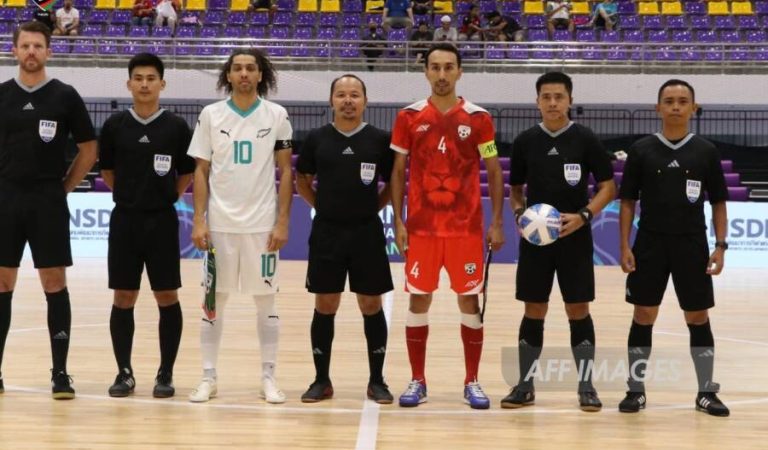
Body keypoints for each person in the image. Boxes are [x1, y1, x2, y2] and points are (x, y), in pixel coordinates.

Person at [390, 43, 505, 410]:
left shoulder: (479, 118)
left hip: (466, 230)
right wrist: (398, 219)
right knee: (418, 299)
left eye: (448, 67)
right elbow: (397, 172)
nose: (441, 74)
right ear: (425, 71)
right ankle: (417, 380)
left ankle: (472, 381)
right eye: (435, 67)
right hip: (422, 229)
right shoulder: (408, 116)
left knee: (469, 302)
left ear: (459, 72)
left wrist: (497, 220)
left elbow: (492, 169)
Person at [617, 79, 730, 417]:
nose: (676, 107)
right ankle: (635, 390)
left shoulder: (706, 151)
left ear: (694, 108)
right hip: (650, 243)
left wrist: (720, 245)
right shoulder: (642, 149)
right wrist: (624, 244)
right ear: (658, 108)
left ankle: (706, 392)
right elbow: (627, 202)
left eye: (683, 101)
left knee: (697, 315)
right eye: (669, 101)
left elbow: (719, 203)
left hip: (692, 245)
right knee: (643, 314)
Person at [504, 71, 615, 412]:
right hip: (537, 242)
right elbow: (516, 190)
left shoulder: (585, 138)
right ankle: (525, 385)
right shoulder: (525, 141)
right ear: (537, 101)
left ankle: (586, 385)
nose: (553, 103)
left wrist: (583, 215)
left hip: (575, 239)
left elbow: (608, 187)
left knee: (577, 309)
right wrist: (522, 214)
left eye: (559, 97)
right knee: (533, 309)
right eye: (546, 97)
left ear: (569, 100)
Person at [187, 48, 293, 404]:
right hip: (220, 226)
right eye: (238, 68)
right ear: (228, 75)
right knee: (213, 302)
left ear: (261, 74)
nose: (244, 74)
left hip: (262, 227)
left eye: (251, 68)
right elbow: (200, 170)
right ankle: (208, 376)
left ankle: (268, 376)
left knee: (266, 301)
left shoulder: (277, 115)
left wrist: (281, 221)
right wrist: (199, 220)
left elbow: (287, 170)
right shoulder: (211, 115)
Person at [0, 21, 97, 399]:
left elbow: (89, 148)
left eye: (38, 46)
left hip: (47, 200)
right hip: (5, 199)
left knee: (54, 284)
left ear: (49, 51)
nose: (31, 52)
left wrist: (65, 187)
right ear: (14, 50)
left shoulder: (65, 96)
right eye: (25, 46)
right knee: (3, 284)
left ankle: (60, 373)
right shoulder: (2, 95)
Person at [99, 53, 195, 399]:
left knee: (166, 295)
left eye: (151, 78)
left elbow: (186, 172)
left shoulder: (176, 127)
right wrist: (130, 195)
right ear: (129, 83)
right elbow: (107, 171)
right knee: (124, 296)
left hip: (162, 222)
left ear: (162, 84)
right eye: (138, 78)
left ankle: (165, 372)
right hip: (125, 220)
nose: (144, 84)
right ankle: (124, 372)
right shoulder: (114, 126)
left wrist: (166, 195)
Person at [296, 74, 395, 404]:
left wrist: (373, 208)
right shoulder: (315, 138)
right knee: (325, 303)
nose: (348, 100)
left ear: (365, 101)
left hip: (367, 232)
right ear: (331, 101)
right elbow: (302, 180)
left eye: (355, 95)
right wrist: (323, 207)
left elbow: (392, 184)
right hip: (326, 232)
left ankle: (377, 380)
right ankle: (321, 380)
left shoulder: (381, 140)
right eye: (341, 95)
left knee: (371, 304)